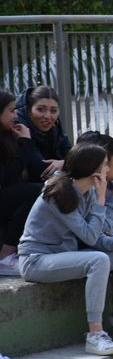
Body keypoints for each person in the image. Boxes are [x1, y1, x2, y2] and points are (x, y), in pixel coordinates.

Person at [18, 143, 113, 355]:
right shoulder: (60, 193)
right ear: (94, 170)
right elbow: (89, 236)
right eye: (105, 165)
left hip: (65, 255)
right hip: (37, 260)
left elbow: (98, 234)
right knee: (99, 260)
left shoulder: (86, 193)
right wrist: (103, 199)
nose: (109, 169)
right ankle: (95, 335)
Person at [0, 89, 44, 275]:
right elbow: (8, 178)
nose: (16, 115)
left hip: (7, 196)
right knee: (41, 191)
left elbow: (39, 168)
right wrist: (25, 143)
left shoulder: (10, 134)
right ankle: (5, 256)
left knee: (44, 191)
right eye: (11, 110)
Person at [14, 85, 72, 178]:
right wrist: (67, 165)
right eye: (40, 109)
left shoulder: (55, 126)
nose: (47, 116)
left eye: (53, 111)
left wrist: (64, 163)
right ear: (29, 110)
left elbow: (74, 156)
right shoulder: (19, 126)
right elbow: (41, 169)